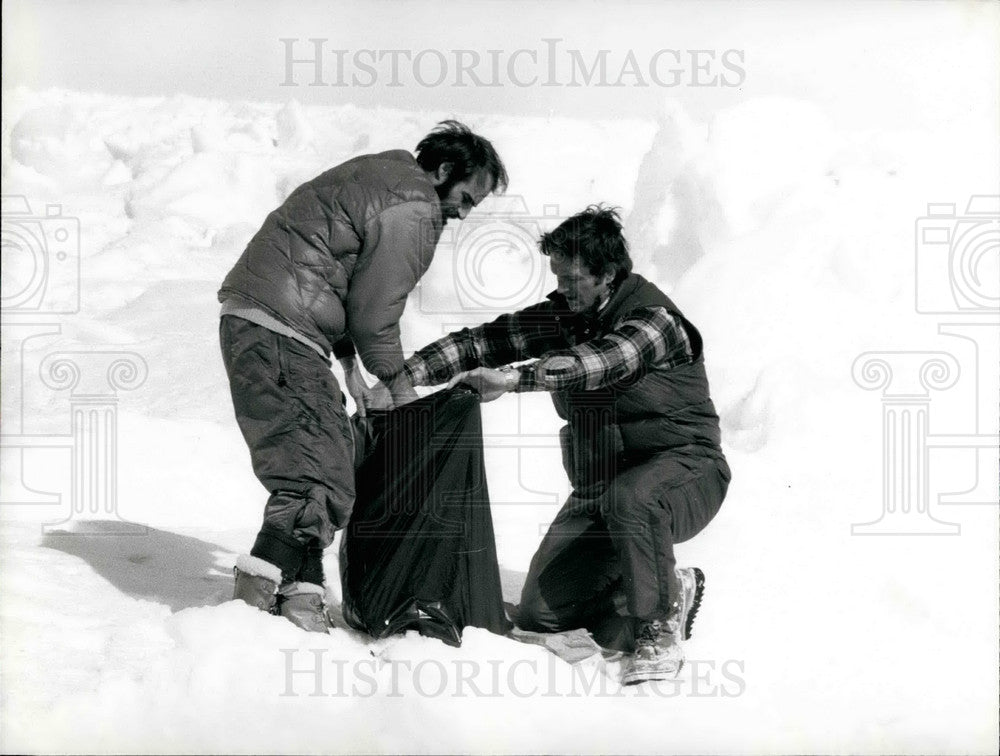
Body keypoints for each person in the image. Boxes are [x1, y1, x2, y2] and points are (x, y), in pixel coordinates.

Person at [403, 205, 730, 683]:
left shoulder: (655, 322)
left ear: (608, 274)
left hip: (685, 470)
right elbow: (485, 342)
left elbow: (599, 363)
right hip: (604, 487)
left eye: (573, 277)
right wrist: (404, 376)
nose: (562, 288)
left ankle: (657, 624)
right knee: (541, 615)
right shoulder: (570, 313)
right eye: (557, 275)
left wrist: (516, 380)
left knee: (632, 500)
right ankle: (660, 584)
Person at [217, 120, 507, 632]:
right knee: (318, 473)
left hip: (264, 320)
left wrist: (350, 370)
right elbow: (375, 315)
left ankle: (301, 593)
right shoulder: (416, 208)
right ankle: (248, 606)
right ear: (442, 172)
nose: (464, 213)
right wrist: (399, 388)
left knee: (322, 459)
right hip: (285, 329)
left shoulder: (380, 177)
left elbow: (340, 276)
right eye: (466, 197)